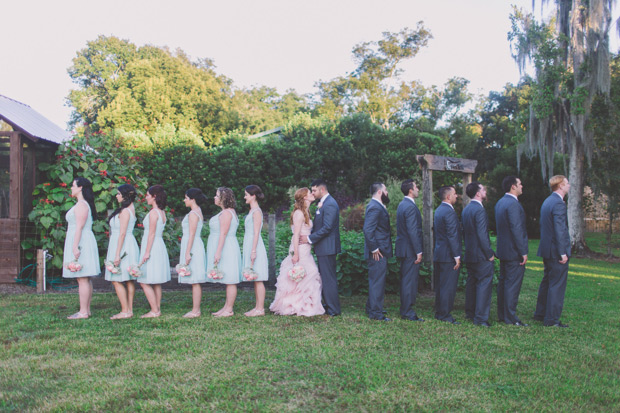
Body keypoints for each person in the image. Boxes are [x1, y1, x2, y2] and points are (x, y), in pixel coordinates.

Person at [270, 188, 325, 317]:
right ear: (305, 197)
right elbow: (296, 235)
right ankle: (293, 306)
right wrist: (295, 254)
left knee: (308, 275)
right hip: (300, 249)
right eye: (309, 193)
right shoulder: (299, 213)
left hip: (306, 248)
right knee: (303, 275)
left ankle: (303, 305)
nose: (312, 194)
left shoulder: (306, 211)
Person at [300, 179, 341, 316]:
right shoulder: (323, 203)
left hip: (327, 247)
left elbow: (327, 228)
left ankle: (333, 309)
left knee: (328, 278)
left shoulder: (329, 204)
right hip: (324, 247)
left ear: (322, 190)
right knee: (326, 277)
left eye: (314, 190)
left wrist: (310, 238)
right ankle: (329, 304)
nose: (313, 193)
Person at [534, 175, 571, 328]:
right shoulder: (558, 203)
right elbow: (559, 229)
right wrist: (563, 252)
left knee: (547, 281)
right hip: (556, 251)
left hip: (547, 249)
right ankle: (552, 319)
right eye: (567, 183)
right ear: (561, 185)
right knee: (557, 285)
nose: (569, 185)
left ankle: (541, 313)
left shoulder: (548, 201)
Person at [63, 177, 100, 319]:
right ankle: (86, 310)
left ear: (80, 188)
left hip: (81, 241)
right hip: (80, 239)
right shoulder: (81, 204)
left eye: (73, 186)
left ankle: (83, 311)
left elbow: (79, 227)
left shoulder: (82, 205)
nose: (71, 188)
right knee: (83, 278)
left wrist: (75, 247)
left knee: (83, 277)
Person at [495, 176, 529, 326]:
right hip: (513, 251)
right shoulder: (513, 204)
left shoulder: (500, 202)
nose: (522, 186)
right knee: (512, 285)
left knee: (504, 283)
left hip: (503, 250)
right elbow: (516, 229)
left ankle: (502, 314)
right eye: (520, 184)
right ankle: (510, 317)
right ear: (513, 187)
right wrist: (523, 251)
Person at [462, 182, 495, 327]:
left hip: (470, 252)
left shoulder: (466, 209)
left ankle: (470, 312)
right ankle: (480, 318)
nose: (485, 191)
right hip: (481, 254)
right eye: (483, 189)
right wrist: (489, 253)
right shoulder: (479, 210)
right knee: (483, 284)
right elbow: (482, 235)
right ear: (477, 193)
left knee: (472, 283)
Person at [206, 187, 242, 317]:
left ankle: (229, 309)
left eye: (216, 195)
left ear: (223, 198)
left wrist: (218, 252)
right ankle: (226, 307)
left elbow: (223, 234)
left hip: (226, 247)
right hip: (225, 245)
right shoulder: (227, 212)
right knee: (227, 279)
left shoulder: (227, 213)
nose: (214, 198)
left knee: (230, 279)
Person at [105, 184, 140, 320]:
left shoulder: (125, 212)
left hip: (122, 245)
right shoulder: (129, 209)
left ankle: (125, 310)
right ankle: (128, 309)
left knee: (117, 278)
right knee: (128, 279)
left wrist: (117, 254)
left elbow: (122, 233)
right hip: (125, 243)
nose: (116, 196)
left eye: (119, 193)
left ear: (125, 195)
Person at [137, 185, 171, 318]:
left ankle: (154, 310)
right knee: (156, 280)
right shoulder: (162, 212)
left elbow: (151, 234)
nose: (146, 197)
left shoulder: (153, 213)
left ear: (154, 196)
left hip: (152, 246)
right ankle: (157, 308)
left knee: (143, 280)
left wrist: (146, 252)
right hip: (159, 245)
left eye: (147, 195)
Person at [395, 179, 424, 322]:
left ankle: (406, 308)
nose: (418, 189)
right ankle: (407, 311)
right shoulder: (410, 207)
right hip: (409, 250)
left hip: (404, 248)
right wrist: (418, 251)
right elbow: (412, 231)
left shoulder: (402, 204)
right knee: (408, 281)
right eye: (416, 186)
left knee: (407, 279)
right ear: (411, 190)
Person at [433, 185, 462, 324]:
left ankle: (440, 312)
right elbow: (452, 235)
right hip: (448, 255)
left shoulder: (439, 210)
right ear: (448, 196)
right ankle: (444, 314)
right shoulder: (449, 212)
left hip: (439, 252)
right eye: (455, 194)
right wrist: (457, 256)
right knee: (448, 286)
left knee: (441, 286)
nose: (457, 196)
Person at [363, 182, 393, 321]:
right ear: (380, 192)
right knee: (377, 281)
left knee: (376, 280)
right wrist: (374, 248)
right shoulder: (375, 207)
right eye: (385, 190)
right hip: (377, 251)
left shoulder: (378, 206)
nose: (387, 192)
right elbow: (368, 230)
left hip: (380, 249)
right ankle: (375, 313)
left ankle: (371, 307)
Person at [178, 188, 208, 318]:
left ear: (192, 199)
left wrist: (187, 252)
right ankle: (195, 309)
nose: (184, 200)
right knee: (194, 279)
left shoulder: (193, 214)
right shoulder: (196, 212)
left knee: (195, 279)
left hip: (193, 246)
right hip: (193, 244)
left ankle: (196, 310)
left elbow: (192, 234)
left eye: (186, 197)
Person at [242, 185, 269, 317]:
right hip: (250, 244)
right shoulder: (252, 210)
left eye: (246, 194)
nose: (244, 197)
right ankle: (257, 307)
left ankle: (260, 309)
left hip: (255, 245)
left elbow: (257, 232)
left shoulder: (257, 211)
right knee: (254, 278)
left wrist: (253, 250)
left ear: (253, 196)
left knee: (258, 278)